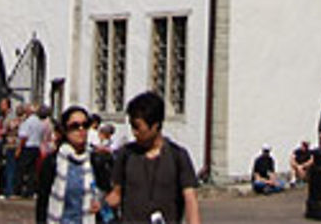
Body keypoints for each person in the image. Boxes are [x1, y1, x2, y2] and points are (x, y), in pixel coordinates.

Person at [106, 89, 200, 224]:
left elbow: (190, 199)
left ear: (155, 126)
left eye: (138, 127)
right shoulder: (125, 154)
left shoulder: (177, 156)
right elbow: (116, 194)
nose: (134, 132)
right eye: (132, 126)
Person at [37, 105, 100, 222]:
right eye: (75, 126)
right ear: (65, 130)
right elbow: (43, 201)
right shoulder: (53, 162)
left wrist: (101, 202)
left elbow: (105, 195)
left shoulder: (95, 160)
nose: (81, 130)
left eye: (85, 125)